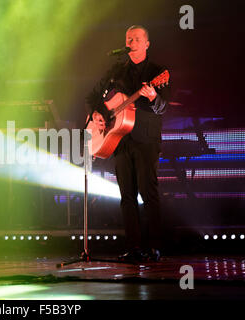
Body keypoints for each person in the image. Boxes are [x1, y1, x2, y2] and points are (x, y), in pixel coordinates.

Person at [86, 25, 170, 262]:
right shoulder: (116, 72)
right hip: (120, 140)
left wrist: (153, 96)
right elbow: (92, 96)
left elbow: (163, 106)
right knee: (127, 196)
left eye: (136, 39)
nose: (131, 42)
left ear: (146, 44)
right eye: (128, 39)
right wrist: (97, 114)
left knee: (148, 192)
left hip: (146, 140)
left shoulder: (158, 72)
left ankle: (154, 247)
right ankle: (133, 247)